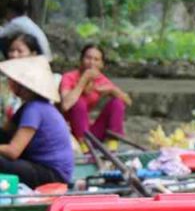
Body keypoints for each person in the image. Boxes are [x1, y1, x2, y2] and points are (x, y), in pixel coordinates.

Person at [0, 56, 74, 187]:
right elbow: (5, 133)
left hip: (53, 174)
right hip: (40, 166)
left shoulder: (34, 109)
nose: (10, 83)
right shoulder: (28, 107)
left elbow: (13, 151)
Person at [59, 44, 132, 149]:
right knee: (78, 102)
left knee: (117, 102)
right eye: (88, 58)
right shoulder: (69, 77)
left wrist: (113, 90)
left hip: (88, 133)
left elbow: (128, 102)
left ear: (101, 64)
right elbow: (65, 105)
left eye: (96, 59)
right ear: (81, 60)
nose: (91, 63)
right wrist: (83, 80)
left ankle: (112, 147)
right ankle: (85, 149)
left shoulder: (101, 80)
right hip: (69, 134)